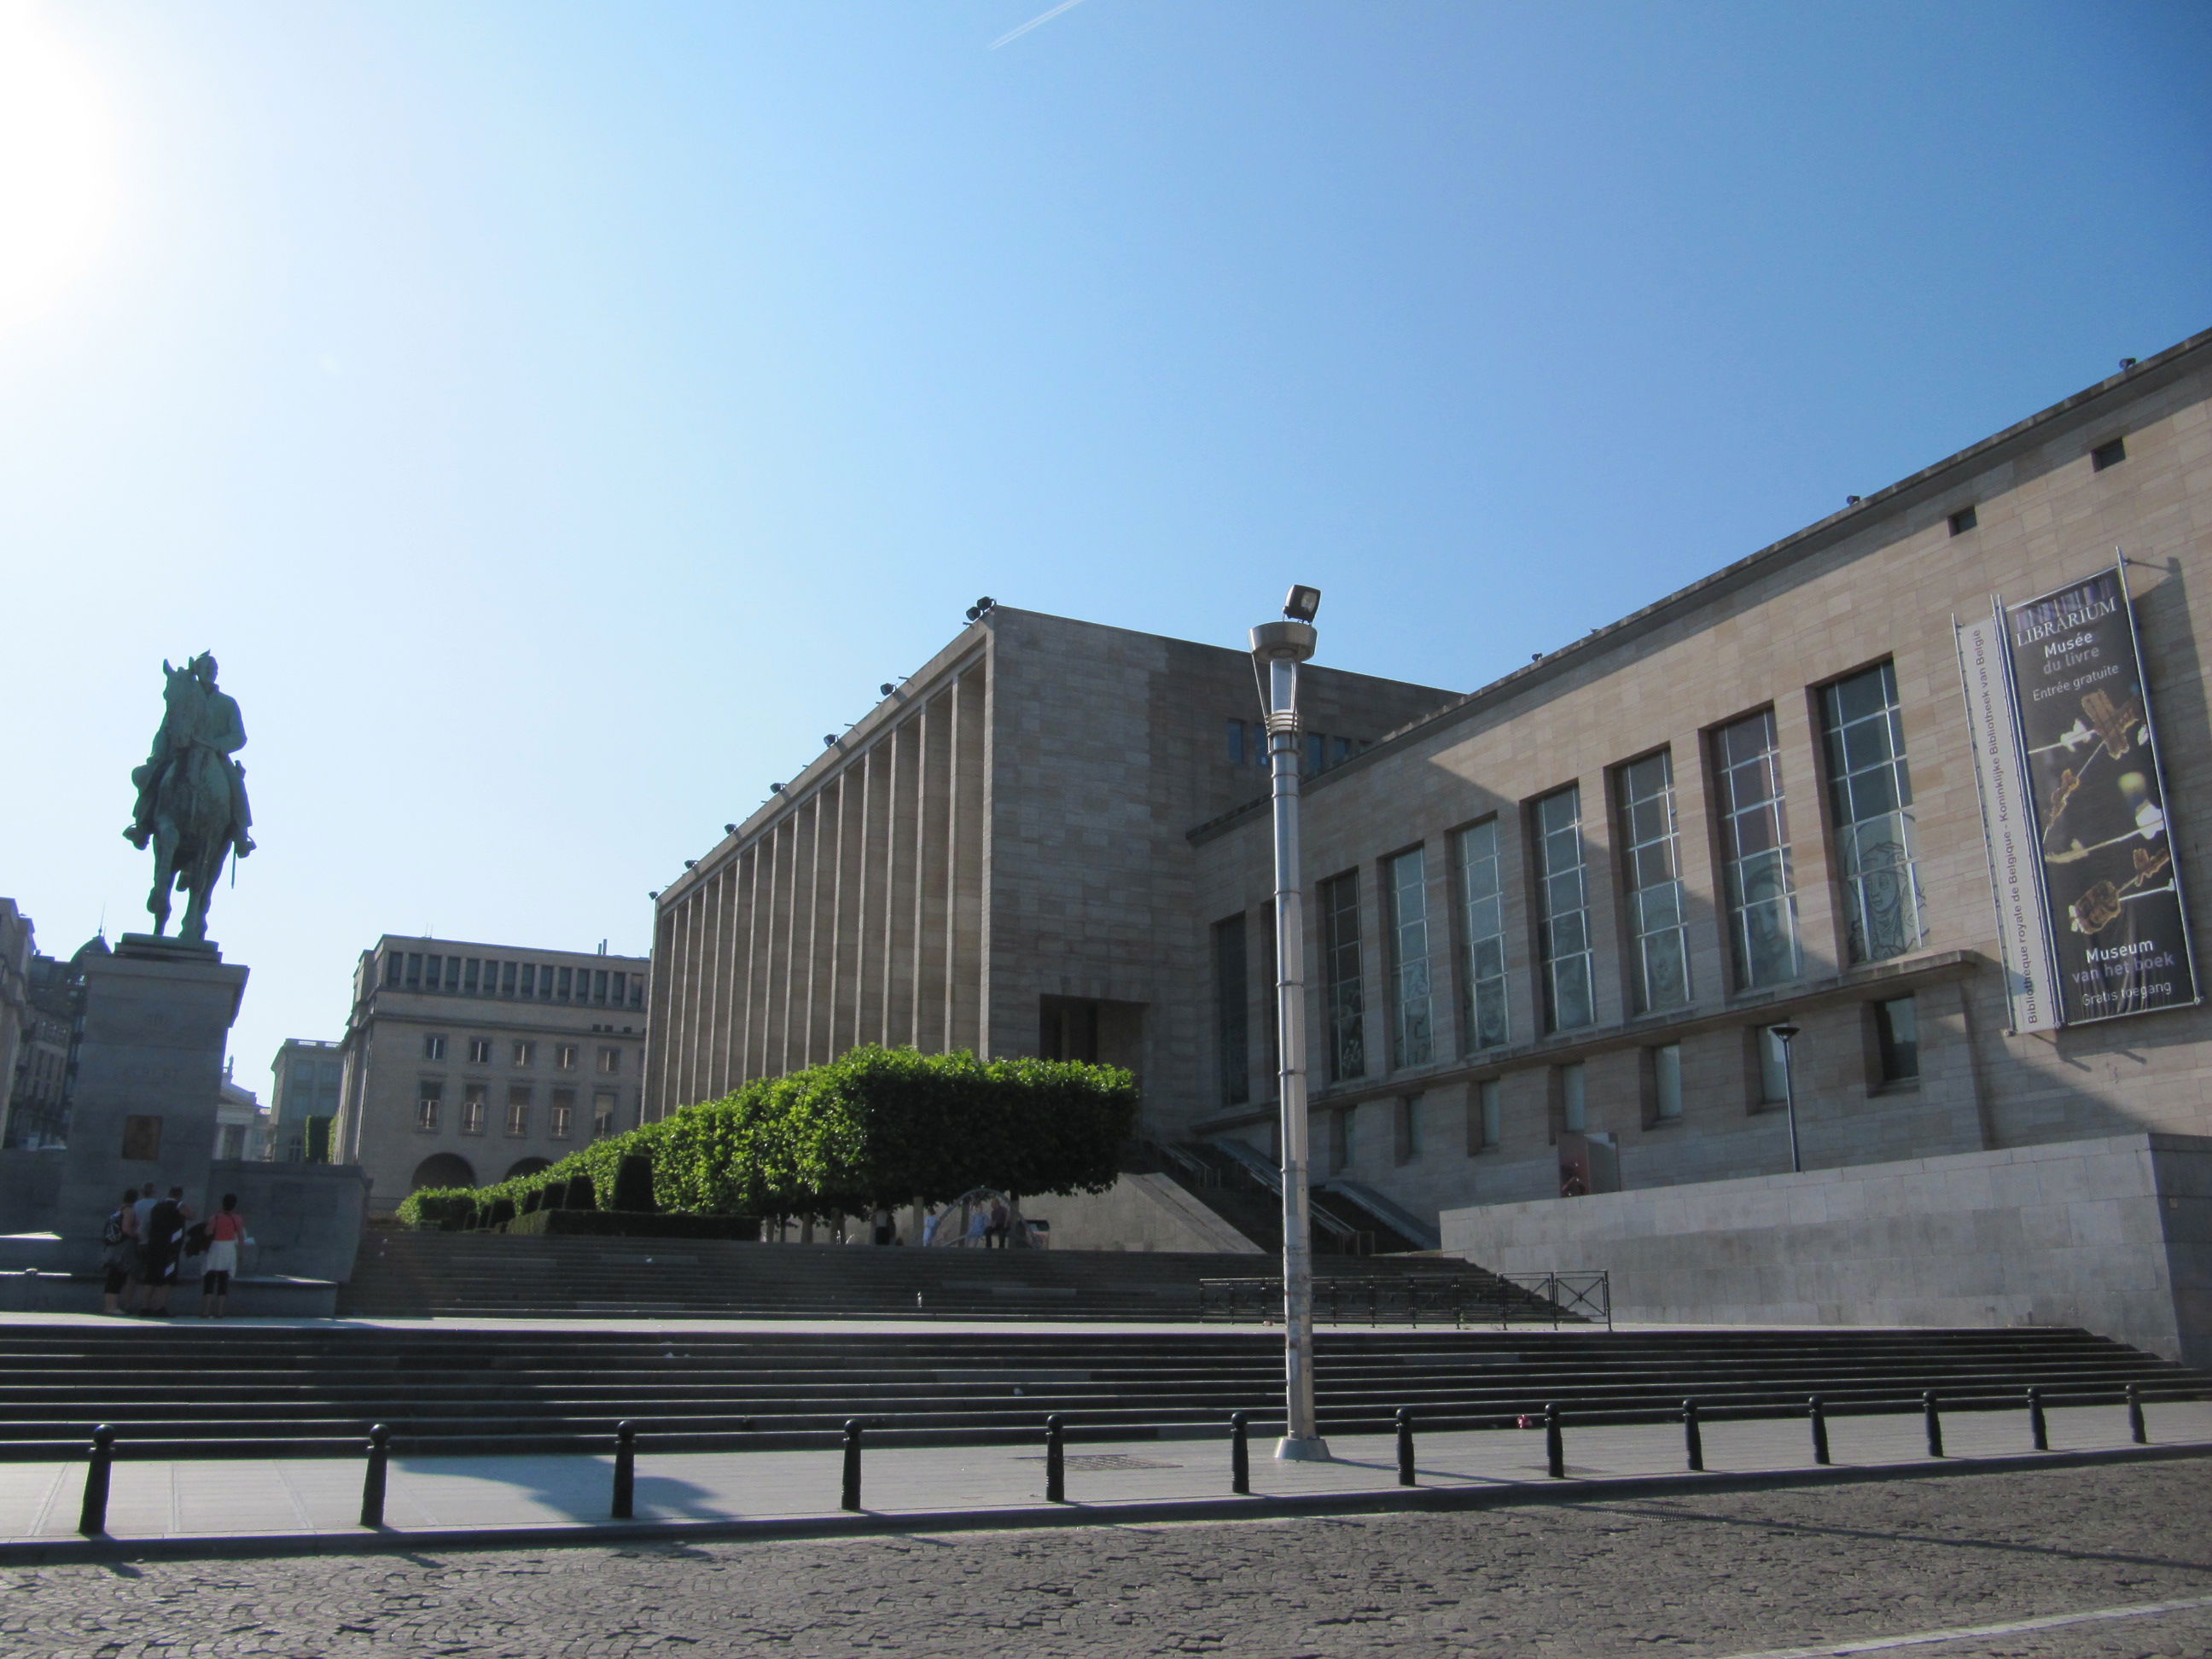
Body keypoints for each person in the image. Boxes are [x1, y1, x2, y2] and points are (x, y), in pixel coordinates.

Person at [140, 1185, 191, 1316]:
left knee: (150, 1278)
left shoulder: (157, 1206)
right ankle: (159, 1307)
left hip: (153, 1245)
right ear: (180, 1195)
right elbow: (192, 1215)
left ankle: (145, 1307)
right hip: (170, 1249)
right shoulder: (179, 1206)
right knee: (167, 1279)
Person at [199, 1194, 246, 1318]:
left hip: (215, 1247)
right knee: (223, 1280)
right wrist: (240, 1253)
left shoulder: (215, 1217)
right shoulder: (237, 1218)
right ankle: (220, 1312)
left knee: (209, 1278)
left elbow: (208, 1231)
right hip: (229, 1248)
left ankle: (206, 1311)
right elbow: (241, 1236)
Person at [100, 1188, 140, 1315]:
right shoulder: (129, 1211)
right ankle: (112, 1307)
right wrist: (138, 1235)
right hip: (122, 1247)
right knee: (117, 1276)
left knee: (113, 1276)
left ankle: (108, 1306)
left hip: (113, 1246)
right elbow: (126, 1229)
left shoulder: (119, 1210)